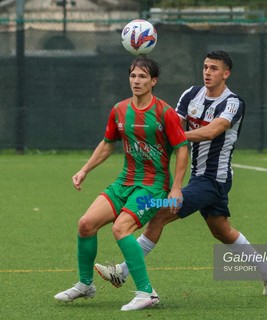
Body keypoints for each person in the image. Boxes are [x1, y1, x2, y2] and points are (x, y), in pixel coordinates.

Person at [95, 50, 267, 296]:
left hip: (214, 179)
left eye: (214, 68)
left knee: (160, 214)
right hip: (198, 177)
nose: (207, 72)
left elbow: (210, 132)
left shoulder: (233, 102)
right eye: (205, 67)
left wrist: (170, 137)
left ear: (226, 74)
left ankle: (122, 272)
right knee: (221, 229)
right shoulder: (191, 94)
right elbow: (172, 123)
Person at [54, 56, 189, 311]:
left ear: (154, 81)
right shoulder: (119, 110)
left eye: (142, 77)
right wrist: (84, 170)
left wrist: (176, 187)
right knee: (85, 224)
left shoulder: (165, 113)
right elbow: (107, 144)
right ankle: (85, 285)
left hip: (153, 187)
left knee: (121, 228)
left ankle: (147, 292)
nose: (136, 81)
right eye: (133, 76)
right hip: (125, 182)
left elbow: (182, 150)